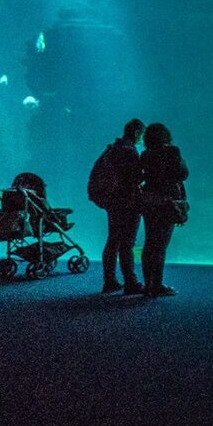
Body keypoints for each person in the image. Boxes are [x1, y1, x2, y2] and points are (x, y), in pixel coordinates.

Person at [91, 119, 146, 295]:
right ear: (137, 133)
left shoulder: (112, 149)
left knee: (113, 240)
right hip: (128, 202)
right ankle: (131, 281)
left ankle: (110, 280)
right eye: (141, 135)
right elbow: (135, 178)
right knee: (127, 243)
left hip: (112, 202)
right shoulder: (130, 151)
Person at [137, 123, 188, 298]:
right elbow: (182, 174)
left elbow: (140, 177)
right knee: (161, 245)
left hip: (149, 202)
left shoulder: (145, 155)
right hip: (167, 202)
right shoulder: (172, 151)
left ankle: (147, 284)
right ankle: (156, 285)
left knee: (149, 242)